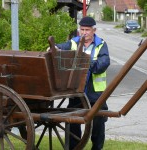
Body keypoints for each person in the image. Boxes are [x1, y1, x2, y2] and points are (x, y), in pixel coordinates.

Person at [55, 16, 110, 150]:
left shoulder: (101, 44)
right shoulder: (74, 42)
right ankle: (74, 148)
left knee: (98, 121)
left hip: (95, 92)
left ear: (94, 30)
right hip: (76, 92)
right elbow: (62, 46)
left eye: (87, 30)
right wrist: (55, 47)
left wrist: (87, 63)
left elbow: (104, 62)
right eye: (82, 29)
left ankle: (97, 148)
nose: (84, 32)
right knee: (72, 120)